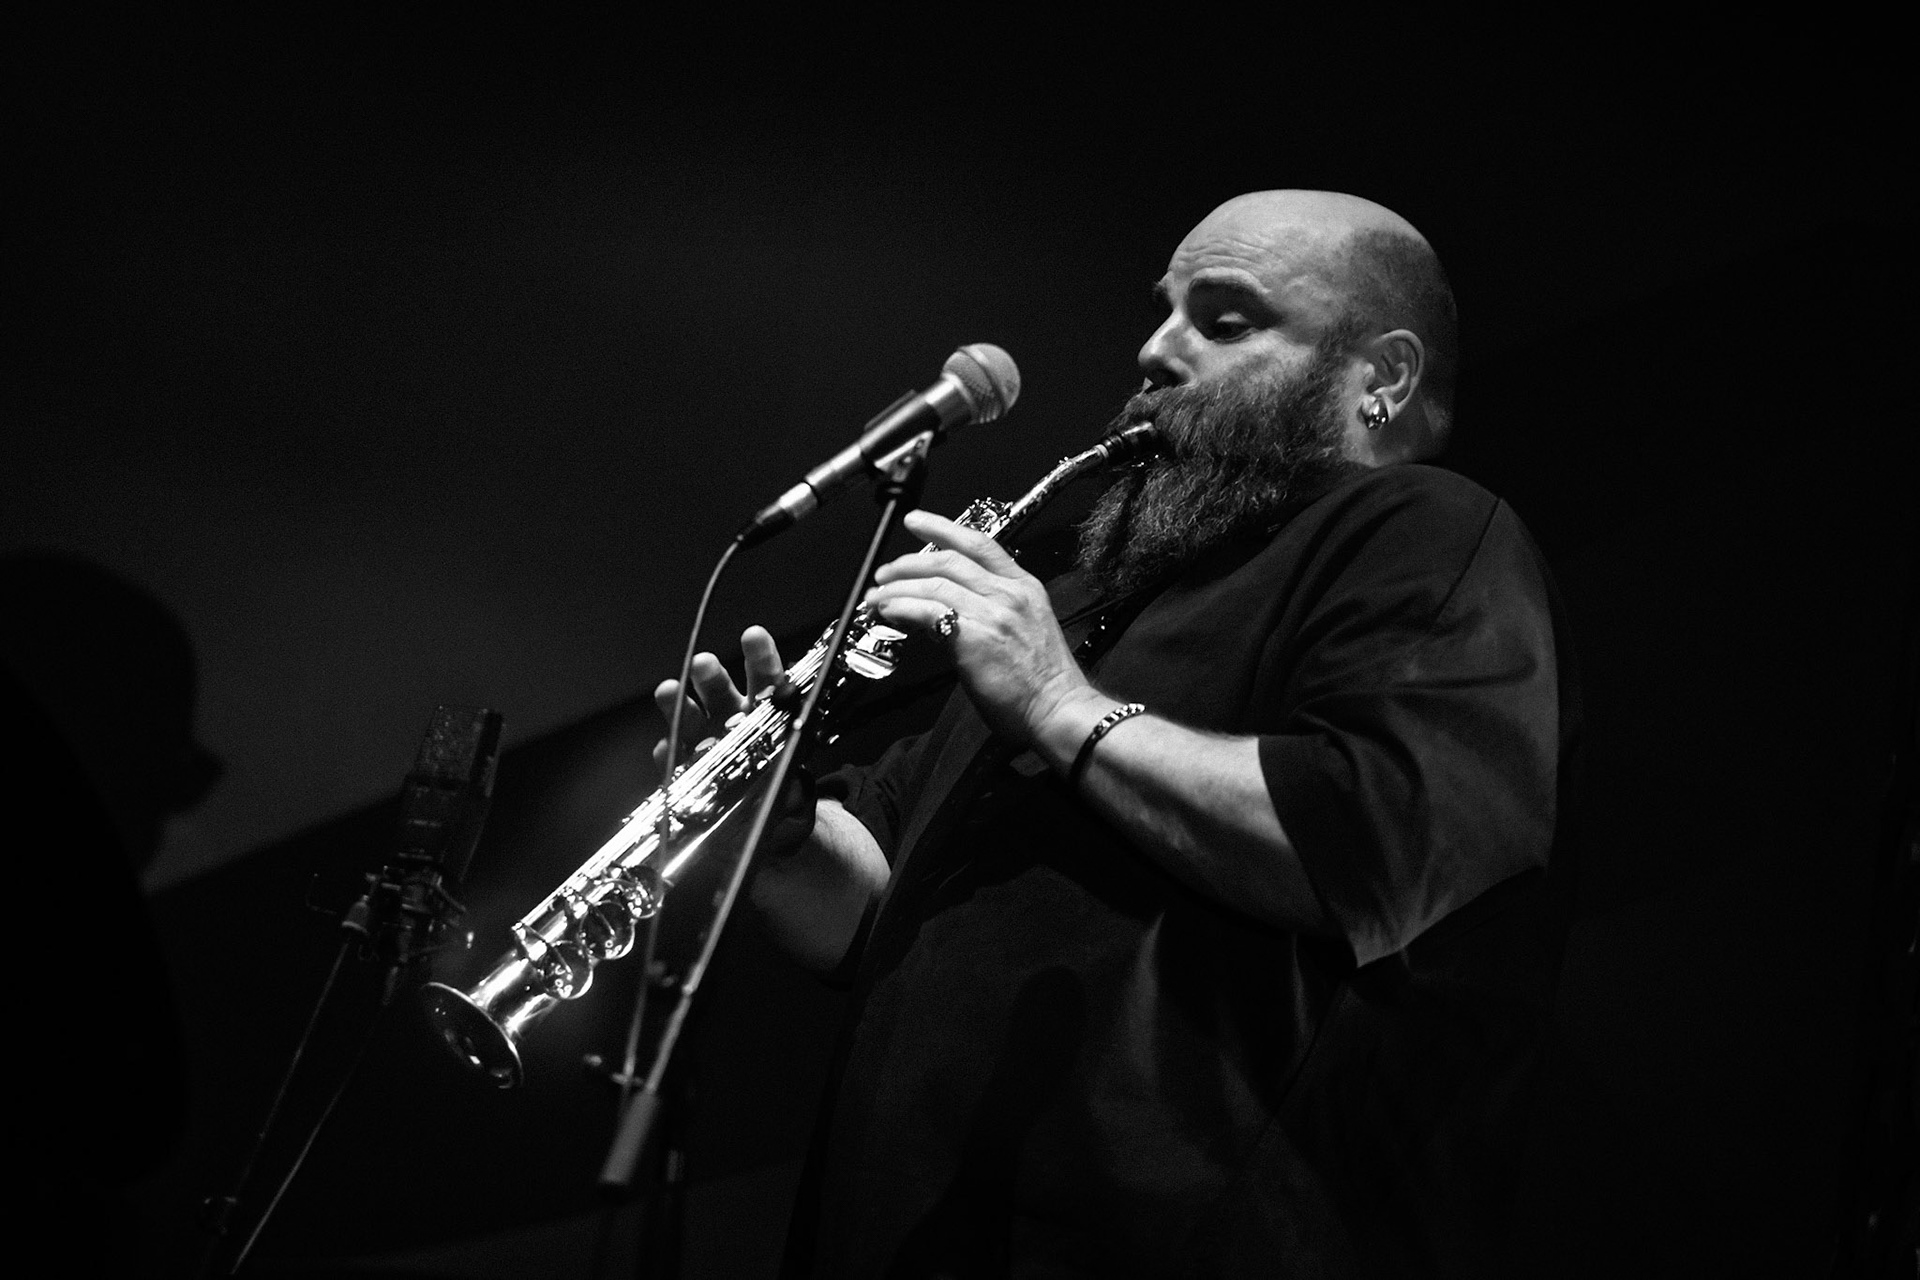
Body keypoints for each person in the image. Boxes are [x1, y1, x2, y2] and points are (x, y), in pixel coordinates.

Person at [657, 191, 1581, 1277]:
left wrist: (1060, 703)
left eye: (1225, 318)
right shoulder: (1091, 598)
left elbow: (1381, 840)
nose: (1154, 348)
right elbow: (865, 905)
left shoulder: (1422, 529)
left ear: (1380, 377)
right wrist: (771, 835)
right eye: (1162, 310)